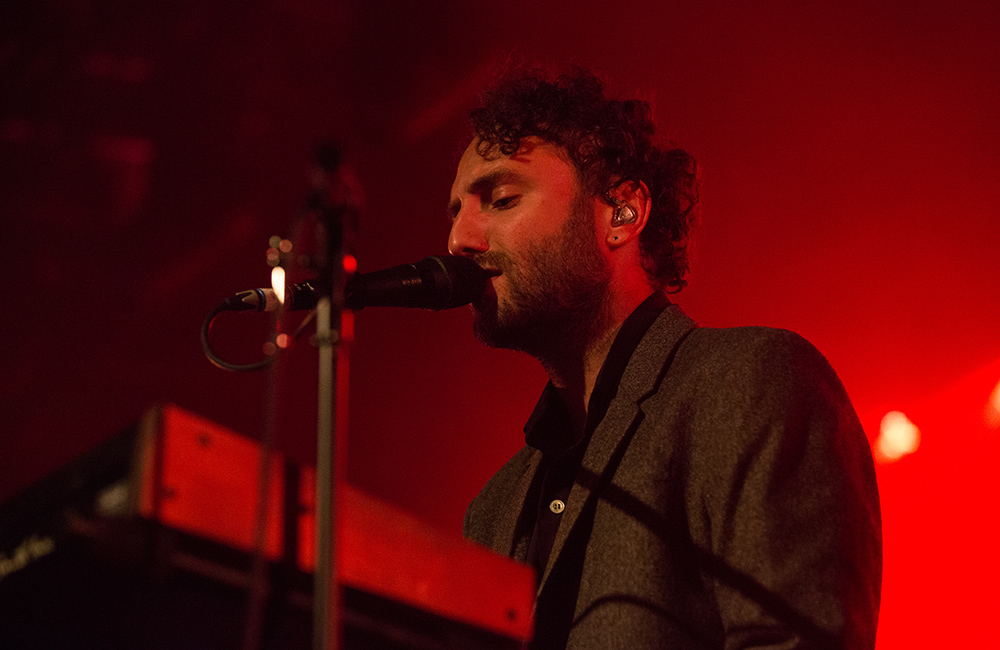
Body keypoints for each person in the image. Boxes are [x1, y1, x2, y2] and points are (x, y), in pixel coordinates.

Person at [448, 67, 882, 650]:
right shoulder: (492, 508)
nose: (459, 241)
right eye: (454, 212)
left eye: (500, 199)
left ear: (622, 212)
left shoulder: (752, 383)